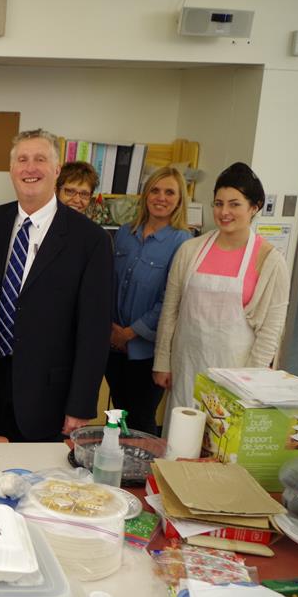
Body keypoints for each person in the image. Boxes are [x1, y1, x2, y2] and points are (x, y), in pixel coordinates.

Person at [0, 129, 113, 442]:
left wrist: (80, 404)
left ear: (56, 170)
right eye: (22, 159)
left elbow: (95, 331)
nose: (29, 168)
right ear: (11, 170)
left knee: (44, 484)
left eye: (39, 159)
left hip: (52, 394)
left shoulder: (90, 240)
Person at [154, 162, 290, 431]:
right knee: (180, 442)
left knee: (221, 450)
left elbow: (270, 332)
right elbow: (171, 309)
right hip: (186, 367)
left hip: (235, 375)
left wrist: (249, 383)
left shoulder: (270, 261)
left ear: (255, 206)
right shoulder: (190, 250)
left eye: (234, 204)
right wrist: (162, 361)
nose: (224, 212)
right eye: (218, 203)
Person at [106, 167, 192, 434]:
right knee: (118, 416)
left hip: (147, 350)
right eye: (155, 190)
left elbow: (172, 299)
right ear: (145, 195)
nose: (161, 197)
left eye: (170, 192)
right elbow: (110, 282)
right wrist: (112, 329)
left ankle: (146, 474)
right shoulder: (124, 233)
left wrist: (131, 333)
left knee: (141, 420)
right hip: (113, 345)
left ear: (179, 200)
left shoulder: (183, 242)